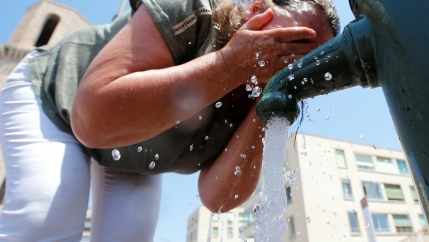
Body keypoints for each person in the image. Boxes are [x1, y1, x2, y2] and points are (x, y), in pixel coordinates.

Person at [0, 0, 339, 241]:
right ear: (257, 13)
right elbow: (93, 119)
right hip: (53, 94)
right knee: (44, 222)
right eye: (295, 42)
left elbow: (219, 198)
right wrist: (231, 66)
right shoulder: (192, 11)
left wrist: (270, 103)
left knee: (127, 236)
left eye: (310, 63)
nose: (295, 62)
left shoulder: (259, 101)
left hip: (129, 150)